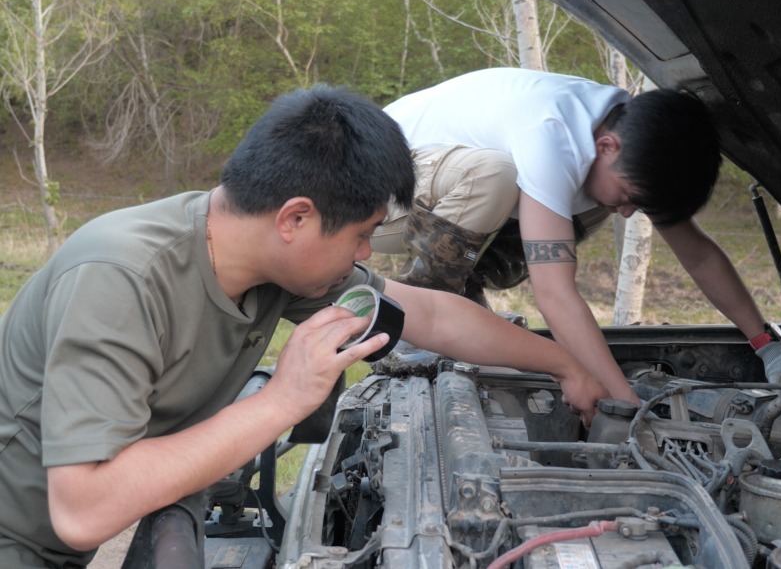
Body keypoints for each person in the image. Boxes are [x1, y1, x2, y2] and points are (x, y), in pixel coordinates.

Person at [0, 85, 607, 567]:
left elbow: (429, 314)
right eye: (361, 235)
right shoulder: (121, 277)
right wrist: (284, 398)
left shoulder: (266, 259)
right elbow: (83, 509)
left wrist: (563, 365)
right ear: (295, 218)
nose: (365, 253)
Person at [371, 67, 781, 405]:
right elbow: (555, 293)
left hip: (445, 192)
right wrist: (623, 402)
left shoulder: (634, 136)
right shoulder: (551, 134)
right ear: (606, 145)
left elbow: (699, 256)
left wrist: (769, 348)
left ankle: (464, 305)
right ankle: (419, 316)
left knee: (596, 196)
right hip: (379, 190)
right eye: (634, 194)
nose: (630, 210)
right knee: (499, 175)